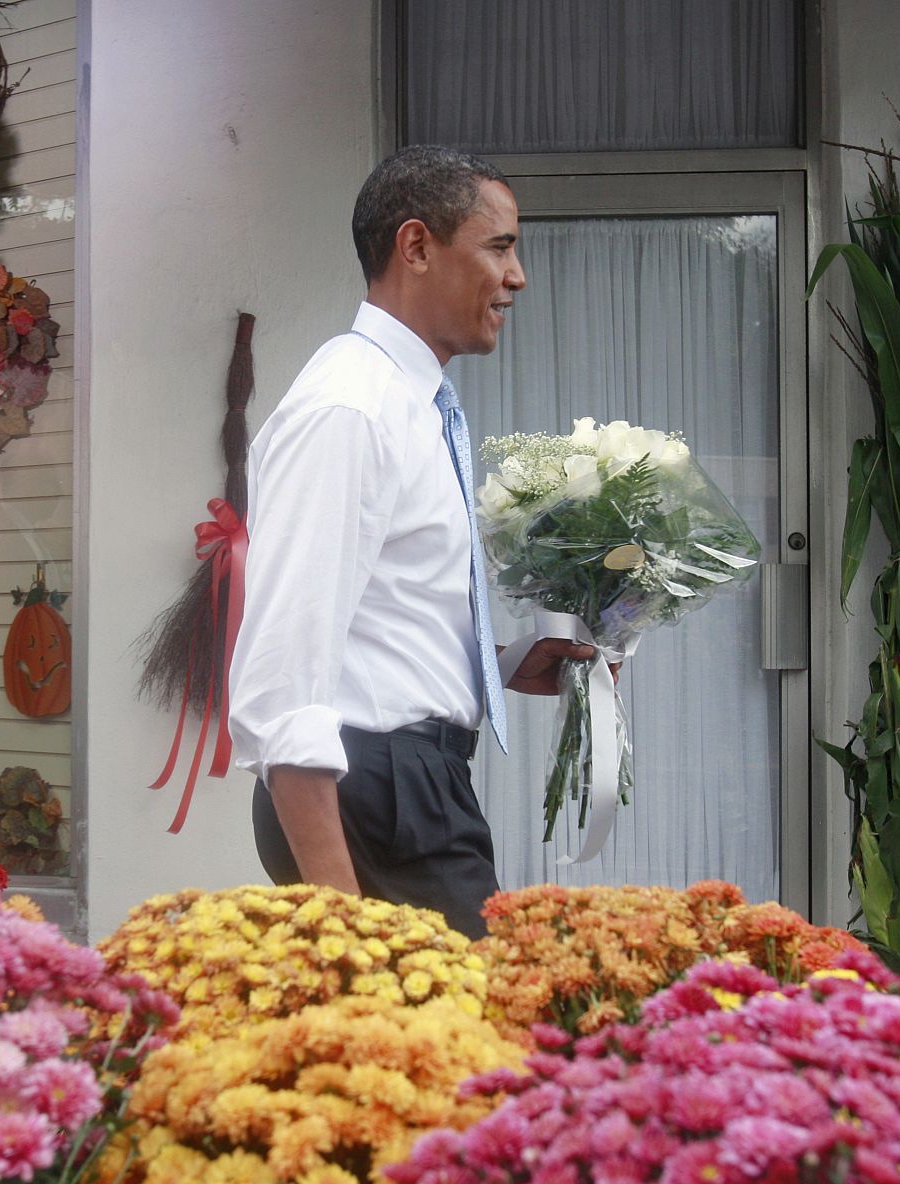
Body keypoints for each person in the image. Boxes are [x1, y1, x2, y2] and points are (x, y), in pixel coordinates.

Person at [226, 144, 593, 939]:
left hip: (402, 785)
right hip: (378, 794)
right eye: (499, 247)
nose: (518, 275)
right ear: (418, 247)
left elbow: (375, 621)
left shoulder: (406, 402)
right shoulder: (350, 410)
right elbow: (283, 682)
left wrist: (498, 670)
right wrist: (344, 929)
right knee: (469, 1040)